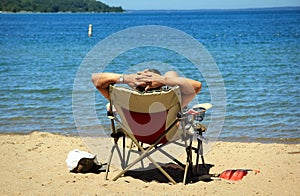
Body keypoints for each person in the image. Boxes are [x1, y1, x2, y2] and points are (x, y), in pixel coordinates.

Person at [91, 69, 201, 107]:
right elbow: (197, 85)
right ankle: (167, 77)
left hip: (136, 133)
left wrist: (127, 78)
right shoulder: (170, 100)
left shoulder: (125, 101)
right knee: (171, 73)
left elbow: (95, 79)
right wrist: (162, 80)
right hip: (167, 134)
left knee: (171, 73)